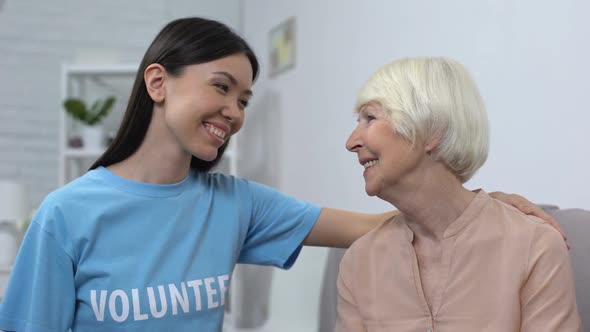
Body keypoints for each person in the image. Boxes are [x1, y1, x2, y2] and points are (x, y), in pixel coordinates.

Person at [0, 18, 564, 332]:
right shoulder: (65, 215)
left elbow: (392, 227)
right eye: (221, 87)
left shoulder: (235, 204)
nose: (235, 113)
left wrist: (484, 207)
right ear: (157, 83)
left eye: (244, 99)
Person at [335, 57, 581, 331]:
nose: (351, 142)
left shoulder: (534, 245)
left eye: (370, 118)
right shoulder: (358, 262)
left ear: (432, 131)